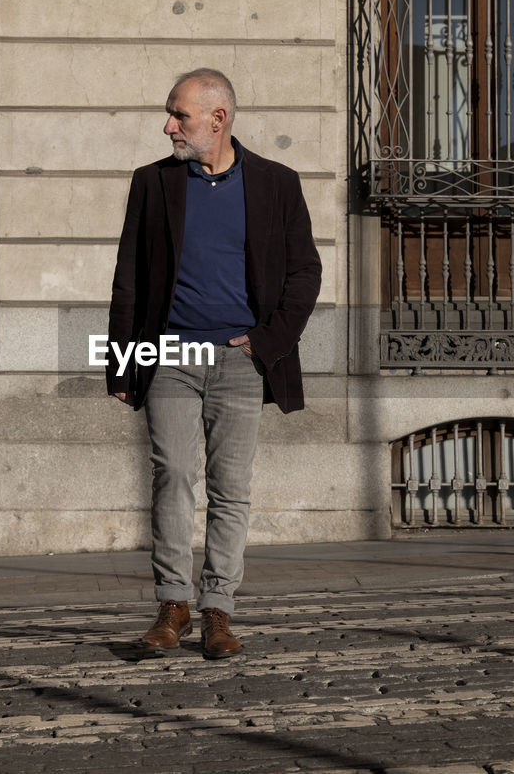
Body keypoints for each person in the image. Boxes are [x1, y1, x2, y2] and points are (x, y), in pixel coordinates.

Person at [106, 68, 322, 658]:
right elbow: (131, 277)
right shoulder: (153, 183)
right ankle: (171, 605)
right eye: (171, 114)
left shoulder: (277, 183)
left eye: (180, 114)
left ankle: (217, 610)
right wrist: (123, 363)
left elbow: (305, 272)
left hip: (239, 360)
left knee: (231, 490)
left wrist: (267, 341)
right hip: (170, 353)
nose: (168, 125)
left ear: (218, 119)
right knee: (172, 476)